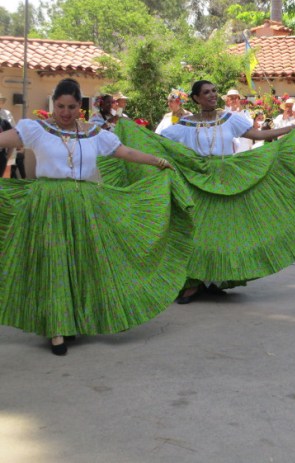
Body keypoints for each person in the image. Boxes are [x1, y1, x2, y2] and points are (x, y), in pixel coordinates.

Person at [0, 78, 190, 356]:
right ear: (54, 105)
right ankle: (56, 329)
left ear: (80, 107)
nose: (65, 112)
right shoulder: (36, 129)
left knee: (82, 263)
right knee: (55, 263)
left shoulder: (95, 134)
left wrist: (157, 161)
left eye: (71, 107)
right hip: (48, 204)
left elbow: (124, 152)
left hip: (85, 205)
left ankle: (75, 319)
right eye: (60, 106)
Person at [127, 80, 295, 304]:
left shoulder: (230, 118)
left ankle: (216, 280)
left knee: (224, 231)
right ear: (196, 98)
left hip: (227, 179)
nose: (212, 95)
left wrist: (291, 129)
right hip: (197, 180)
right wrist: (132, 133)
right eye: (206, 92)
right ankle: (192, 283)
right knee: (198, 233)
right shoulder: (184, 124)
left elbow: (256, 135)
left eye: (214, 91)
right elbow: (160, 142)